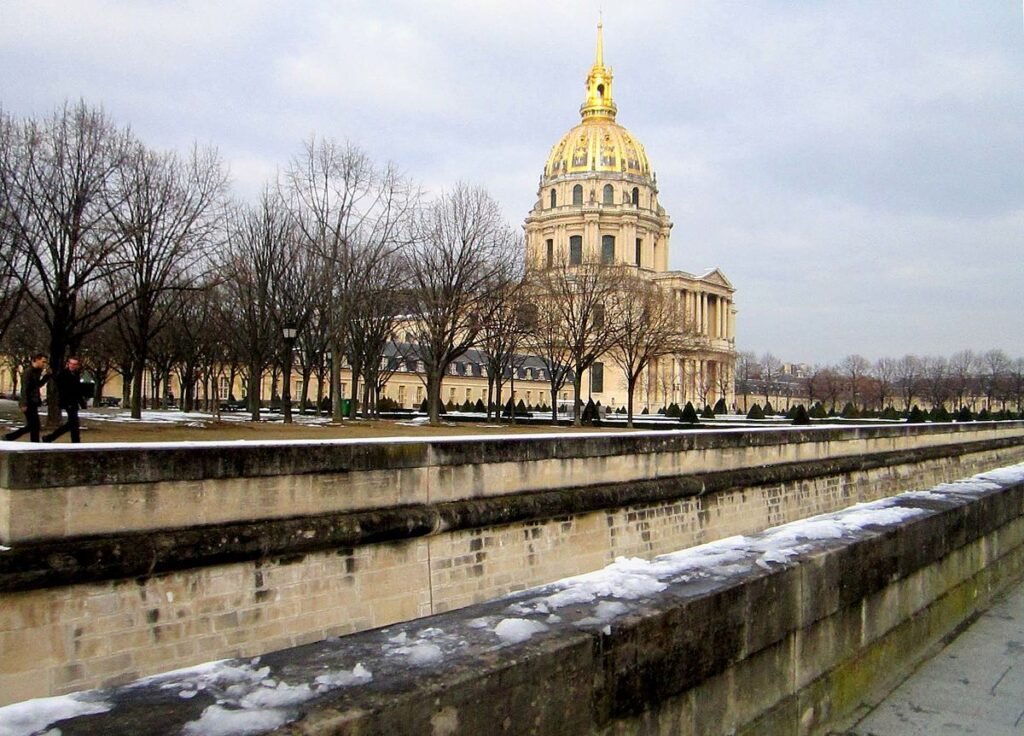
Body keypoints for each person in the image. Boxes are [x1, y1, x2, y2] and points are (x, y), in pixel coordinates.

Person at [4, 353, 48, 442]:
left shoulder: (37, 372)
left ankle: (34, 442)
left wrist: (46, 376)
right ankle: (10, 437)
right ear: (37, 360)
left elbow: (37, 385)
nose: (44, 364)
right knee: (33, 425)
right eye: (43, 362)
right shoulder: (28, 372)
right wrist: (24, 403)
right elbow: (24, 389)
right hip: (29, 402)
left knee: (34, 425)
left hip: (33, 401)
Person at [43, 356, 88, 443]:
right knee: (73, 422)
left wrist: (82, 403)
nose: (73, 366)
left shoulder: (76, 375)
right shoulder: (63, 374)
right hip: (68, 402)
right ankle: (52, 438)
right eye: (71, 364)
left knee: (73, 423)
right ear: (68, 364)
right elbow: (62, 388)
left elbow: (78, 390)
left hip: (73, 402)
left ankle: (51, 438)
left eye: (75, 364)